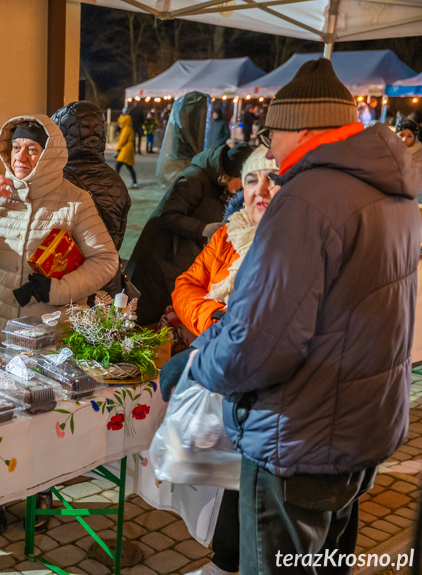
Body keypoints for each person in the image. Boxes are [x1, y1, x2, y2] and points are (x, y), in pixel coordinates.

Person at [189, 58, 421, 574]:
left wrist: (196, 362)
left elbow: (260, 346)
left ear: (305, 128)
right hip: (361, 427)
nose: (268, 147)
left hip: (299, 439)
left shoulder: (308, 198)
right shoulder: (396, 191)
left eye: (273, 133)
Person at [170, 146, 279, 575]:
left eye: (272, 178)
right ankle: (223, 559)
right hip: (219, 375)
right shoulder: (227, 235)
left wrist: (222, 330)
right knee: (221, 481)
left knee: (247, 486)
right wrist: (214, 320)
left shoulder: (290, 246)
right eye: (252, 179)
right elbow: (186, 285)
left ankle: (230, 562)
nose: (260, 189)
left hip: (261, 393)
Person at [0, 115, 118, 334]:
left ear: (49, 156)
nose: (20, 157)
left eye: (31, 149)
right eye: (15, 148)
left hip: (47, 333)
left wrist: (57, 290)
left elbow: (105, 260)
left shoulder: (76, 201)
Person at [125, 143, 252, 325]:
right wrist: (204, 228)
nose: (243, 187)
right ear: (230, 173)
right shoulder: (194, 179)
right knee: (149, 311)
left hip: (183, 257)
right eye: (243, 179)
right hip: (162, 256)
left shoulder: (223, 186)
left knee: (169, 313)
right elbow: (167, 215)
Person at [52, 100, 132, 298]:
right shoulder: (116, 180)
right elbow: (118, 236)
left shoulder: (57, 179)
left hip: (69, 283)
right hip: (107, 280)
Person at [396, 118, 422, 188]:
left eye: (409, 136)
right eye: (401, 135)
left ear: (414, 138)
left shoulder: (419, 154)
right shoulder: (388, 149)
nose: (404, 139)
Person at [115, 115, 137, 188]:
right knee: (129, 167)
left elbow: (122, 141)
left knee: (118, 166)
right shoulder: (129, 128)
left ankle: (115, 182)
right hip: (129, 149)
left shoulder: (126, 129)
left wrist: (117, 148)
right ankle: (135, 183)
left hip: (125, 150)